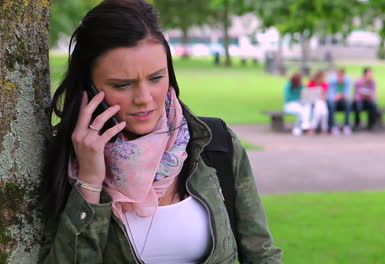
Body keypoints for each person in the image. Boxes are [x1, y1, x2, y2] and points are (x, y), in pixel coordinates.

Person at [38, 1, 282, 263]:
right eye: (122, 84)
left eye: (156, 78)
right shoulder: (63, 162)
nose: (144, 98)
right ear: (89, 87)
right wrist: (89, 182)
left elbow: (261, 255)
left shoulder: (215, 143)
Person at [327, 68, 353, 135]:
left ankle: (346, 125)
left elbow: (348, 94)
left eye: (341, 75)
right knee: (331, 104)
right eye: (338, 75)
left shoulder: (347, 81)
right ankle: (333, 126)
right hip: (333, 101)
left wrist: (341, 96)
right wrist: (335, 97)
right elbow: (330, 95)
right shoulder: (332, 81)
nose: (340, 77)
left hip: (342, 100)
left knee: (348, 104)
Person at [306, 70, 329, 134]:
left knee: (322, 112)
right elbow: (308, 94)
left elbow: (325, 95)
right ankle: (324, 129)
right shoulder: (311, 83)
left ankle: (313, 128)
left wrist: (322, 97)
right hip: (312, 101)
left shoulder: (324, 84)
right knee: (322, 111)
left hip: (321, 101)